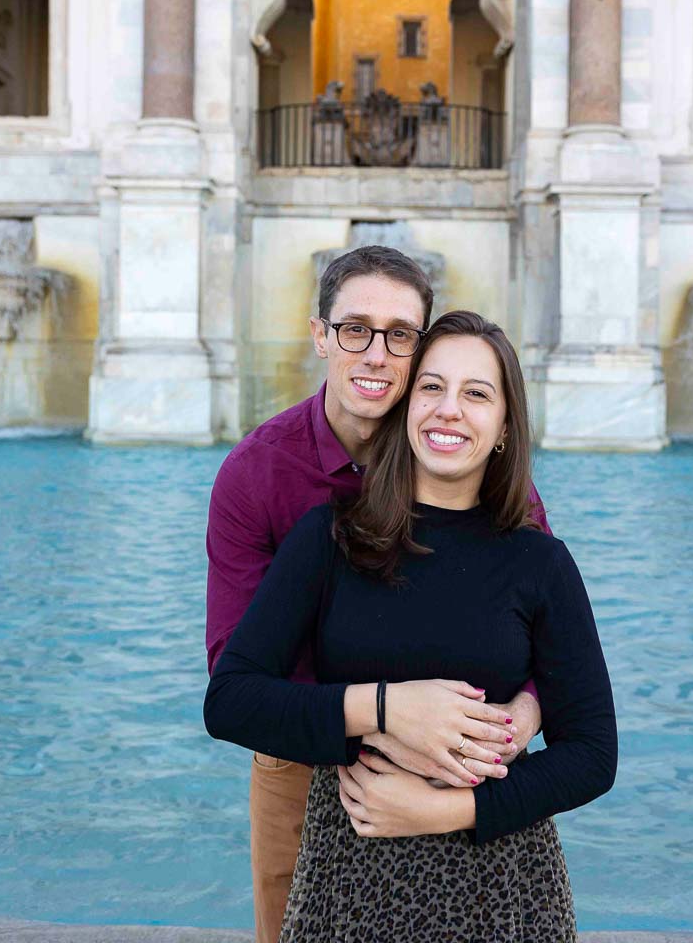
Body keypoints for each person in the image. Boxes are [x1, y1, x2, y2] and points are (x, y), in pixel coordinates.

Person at [205, 310, 617, 942]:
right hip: (347, 876)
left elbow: (592, 754)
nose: (449, 409)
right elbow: (231, 701)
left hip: (503, 885)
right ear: (405, 407)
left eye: (477, 394)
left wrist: (445, 810)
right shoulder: (330, 538)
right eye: (431, 387)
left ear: (505, 426)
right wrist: (386, 708)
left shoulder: (539, 560)